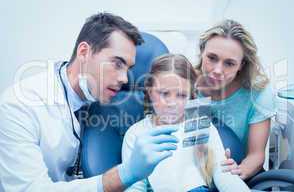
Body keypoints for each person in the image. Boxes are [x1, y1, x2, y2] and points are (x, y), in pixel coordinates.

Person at [0, 12, 179, 192]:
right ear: (84, 52)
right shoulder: (19, 105)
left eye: (128, 68)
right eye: (117, 63)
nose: (125, 78)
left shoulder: (99, 98)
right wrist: (125, 174)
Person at [122, 54, 250, 192]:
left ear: (190, 96)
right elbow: (134, 187)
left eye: (182, 95)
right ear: (150, 91)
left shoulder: (200, 125)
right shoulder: (136, 134)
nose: (172, 103)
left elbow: (224, 176)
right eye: (164, 93)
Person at [195, 19, 276, 181]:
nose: (218, 70)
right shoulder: (186, 85)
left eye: (229, 63)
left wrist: (236, 173)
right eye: (212, 58)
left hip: (236, 170)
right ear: (202, 52)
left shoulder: (258, 92)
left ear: (241, 64)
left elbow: (256, 155)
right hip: (194, 170)